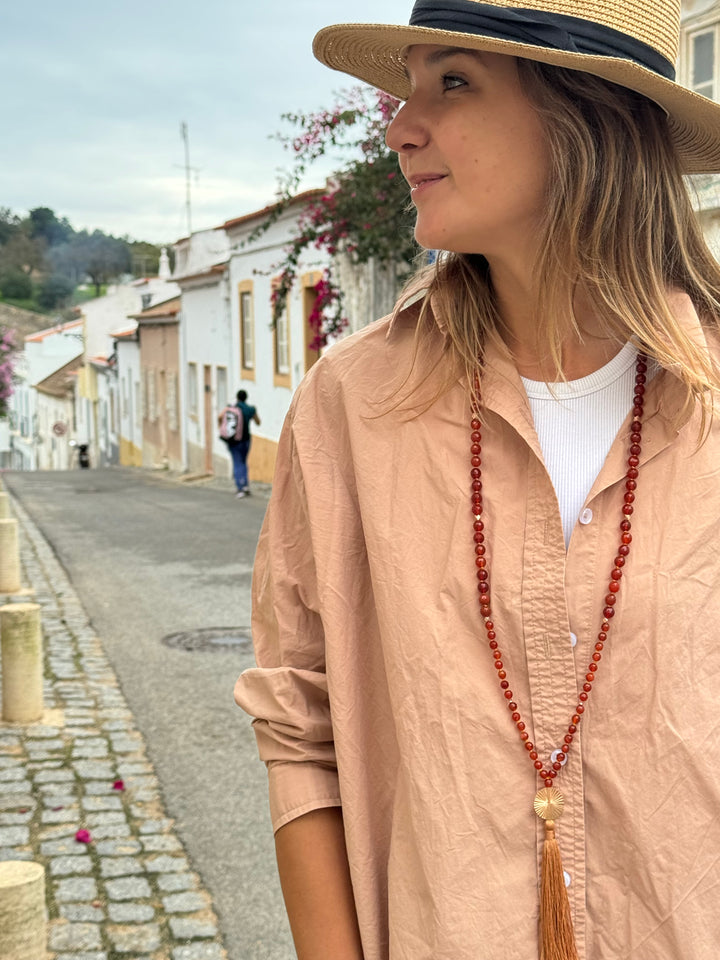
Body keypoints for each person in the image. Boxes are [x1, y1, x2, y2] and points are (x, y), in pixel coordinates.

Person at [235, 2, 720, 958]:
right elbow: (299, 728)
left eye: (452, 82)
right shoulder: (356, 407)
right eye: (406, 86)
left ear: (588, 114)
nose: (400, 125)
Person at [220, 389, 260, 498]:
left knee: (237, 462)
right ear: (246, 398)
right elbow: (258, 422)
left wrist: (223, 428)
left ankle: (240, 487)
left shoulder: (231, 408)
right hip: (246, 440)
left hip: (233, 440)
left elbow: (220, 417)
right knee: (243, 461)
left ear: (237, 397)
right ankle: (246, 485)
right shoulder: (250, 409)